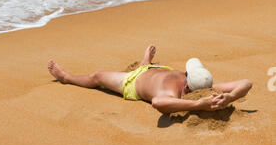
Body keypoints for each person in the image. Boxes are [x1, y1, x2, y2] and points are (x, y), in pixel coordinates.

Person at [47, 44, 252, 113]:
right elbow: (246, 83)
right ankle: (145, 63)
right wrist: (231, 97)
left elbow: (158, 103)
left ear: (189, 87)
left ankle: (66, 77)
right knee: (150, 68)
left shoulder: (174, 94)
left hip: (133, 82)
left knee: (97, 76)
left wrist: (198, 105)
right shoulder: (206, 85)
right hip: (155, 70)